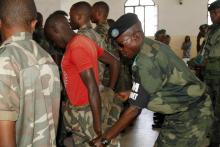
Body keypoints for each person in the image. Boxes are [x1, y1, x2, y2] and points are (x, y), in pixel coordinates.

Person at [90, 13, 213, 147]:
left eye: (121, 45)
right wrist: (133, 92)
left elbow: (134, 110)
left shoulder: (146, 60)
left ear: (136, 37)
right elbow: (159, 81)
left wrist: (105, 139)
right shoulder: (148, 46)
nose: (120, 50)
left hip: (191, 114)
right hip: (179, 110)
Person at [44, 13, 120, 147]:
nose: (54, 43)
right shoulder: (83, 41)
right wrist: (110, 90)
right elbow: (114, 62)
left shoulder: (76, 47)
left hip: (87, 113)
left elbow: (92, 88)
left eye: (52, 39)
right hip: (84, 112)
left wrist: (97, 128)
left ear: (56, 30)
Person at [0, 0, 61, 147]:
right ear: (34, 24)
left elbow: (4, 128)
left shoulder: (5, 60)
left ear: (0, 23)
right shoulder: (47, 57)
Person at [204, 1, 220, 146]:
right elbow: (205, 51)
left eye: (214, 13)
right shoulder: (212, 30)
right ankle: (212, 138)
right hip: (209, 76)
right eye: (211, 14)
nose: (212, 17)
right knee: (208, 108)